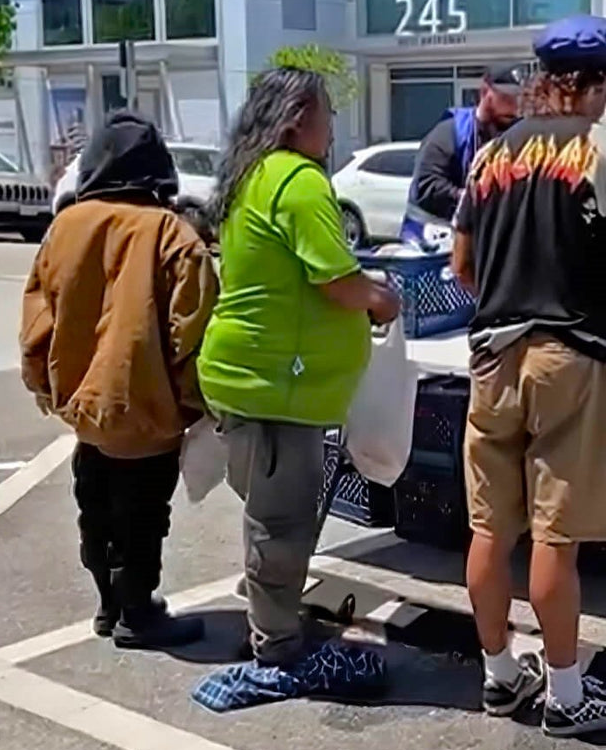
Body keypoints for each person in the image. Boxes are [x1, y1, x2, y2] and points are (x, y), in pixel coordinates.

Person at [451, 15, 606, 737]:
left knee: (489, 528)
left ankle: (500, 675)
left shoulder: (488, 157)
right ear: (599, 82)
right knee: (554, 536)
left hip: (492, 357)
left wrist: (513, 292)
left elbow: (461, 268)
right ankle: (568, 696)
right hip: (571, 357)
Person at [196, 68, 400, 668]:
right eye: (327, 114)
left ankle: (272, 618)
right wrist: (382, 298)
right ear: (296, 119)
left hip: (249, 378)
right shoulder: (299, 182)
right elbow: (338, 282)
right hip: (277, 388)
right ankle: (279, 647)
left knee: (271, 519)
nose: (333, 128)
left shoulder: (252, 176)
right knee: (280, 527)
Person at [20, 111, 218, 648]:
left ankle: (109, 604)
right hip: (149, 411)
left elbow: (38, 318)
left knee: (97, 506)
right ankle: (138, 612)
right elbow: (192, 331)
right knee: (145, 515)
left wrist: (44, 384)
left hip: (84, 409)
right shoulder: (171, 233)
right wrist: (192, 404)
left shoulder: (65, 226)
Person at [401, 64, 523, 247]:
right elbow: (427, 186)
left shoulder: (518, 135)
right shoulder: (449, 132)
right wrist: (473, 197)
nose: (513, 106)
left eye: (518, 98)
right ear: (484, 92)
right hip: (434, 244)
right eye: (505, 97)